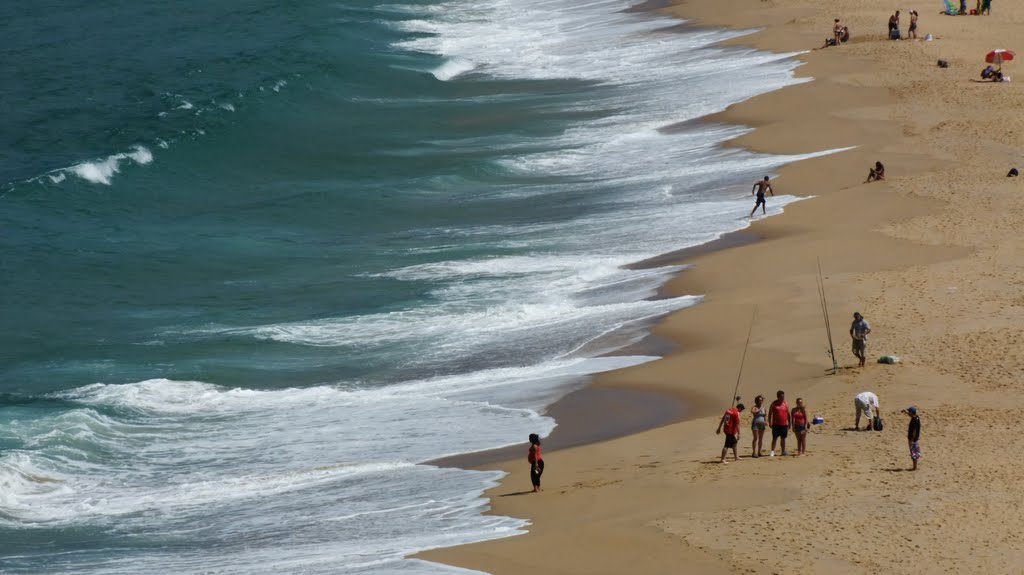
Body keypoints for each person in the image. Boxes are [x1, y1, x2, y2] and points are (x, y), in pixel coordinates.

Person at [767, 390, 790, 456]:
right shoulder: (774, 403)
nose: (783, 397)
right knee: (774, 438)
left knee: (783, 438)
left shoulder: (785, 403)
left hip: (784, 424)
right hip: (776, 424)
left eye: (783, 396)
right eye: (781, 396)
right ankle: (772, 451)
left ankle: (783, 451)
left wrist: (790, 423)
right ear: (778, 396)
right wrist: (769, 422)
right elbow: (770, 413)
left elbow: (788, 414)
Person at [904, 406, 921, 470]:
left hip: (913, 439)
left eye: (909, 411)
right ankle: (915, 466)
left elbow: (914, 431)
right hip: (916, 438)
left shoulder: (914, 421)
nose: (908, 412)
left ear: (911, 412)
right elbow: (912, 416)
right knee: (915, 452)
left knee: (913, 453)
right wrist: (906, 412)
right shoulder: (917, 418)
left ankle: (914, 467)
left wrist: (911, 440)